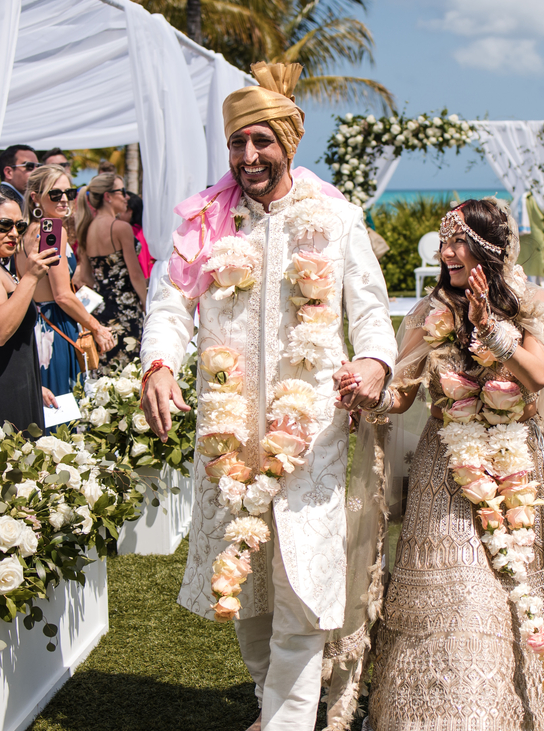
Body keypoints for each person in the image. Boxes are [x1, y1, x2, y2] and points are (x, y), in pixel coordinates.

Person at [138, 62, 398, 731]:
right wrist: (159, 365)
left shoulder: (335, 219)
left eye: (262, 141)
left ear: (288, 143)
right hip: (228, 431)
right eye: (237, 143)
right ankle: (270, 699)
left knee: (300, 578)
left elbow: (371, 310)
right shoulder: (206, 222)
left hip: (310, 432)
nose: (249, 157)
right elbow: (169, 304)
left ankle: (286, 720)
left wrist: (374, 362)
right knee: (245, 582)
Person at [364, 199, 544, 729]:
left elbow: (538, 376)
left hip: (519, 458)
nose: (446, 252)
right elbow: (400, 394)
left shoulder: (532, 302)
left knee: (511, 579)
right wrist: (368, 397)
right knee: (459, 588)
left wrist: (489, 326)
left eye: (458, 241)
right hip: (446, 464)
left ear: (490, 249)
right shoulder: (430, 310)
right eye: (444, 241)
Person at [0, 191, 60, 432]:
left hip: (16, 384)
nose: (14, 233)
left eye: (19, 226)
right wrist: (31, 277)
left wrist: (35, 385)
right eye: (5, 225)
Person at [17, 164, 113, 395]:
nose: (64, 200)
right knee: (64, 405)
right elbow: (62, 295)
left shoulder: (25, 231)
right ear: (35, 198)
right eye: (55, 194)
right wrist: (97, 327)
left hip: (33, 325)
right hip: (56, 324)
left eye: (69, 193)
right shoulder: (51, 230)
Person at [76, 173, 147, 374]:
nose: (126, 197)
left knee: (109, 371)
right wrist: (146, 302)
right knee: (131, 369)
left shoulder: (86, 228)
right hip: (125, 309)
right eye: (122, 191)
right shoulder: (121, 228)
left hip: (100, 311)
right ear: (108, 196)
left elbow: (85, 277)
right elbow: (135, 274)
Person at [118, 190, 155, 279]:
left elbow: (140, 261)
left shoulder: (131, 232)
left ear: (130, 211)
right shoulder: (145, 231)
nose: (118, 214)